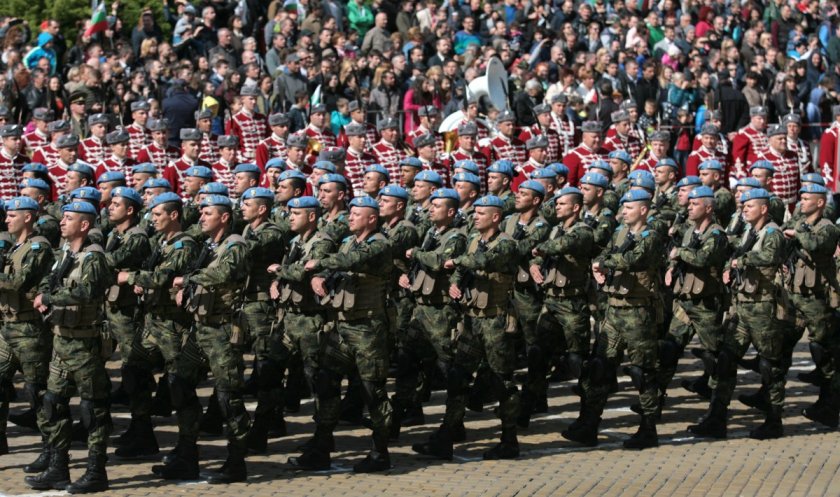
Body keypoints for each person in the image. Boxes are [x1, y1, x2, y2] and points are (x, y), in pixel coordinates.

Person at [289, 195, 394, 473]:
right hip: (341, 328)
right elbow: (341, 266)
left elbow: (352, 260)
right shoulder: (349, 241)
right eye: (350, 213)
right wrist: (321, 277)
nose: (350, 218)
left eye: (357, 214)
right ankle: (321, 447)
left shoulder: (379, 244)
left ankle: (380, 452)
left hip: (368, 329)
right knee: (326, 384)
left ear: (372, 219)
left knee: (374, 392)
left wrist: (318, 264)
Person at [564, 189, 664, 450]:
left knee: (643, 372)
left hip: (639, 312)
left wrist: (604, 263)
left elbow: (634, 259)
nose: (623, 212)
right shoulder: (620, 232)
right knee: (599, 368)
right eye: (623, 207)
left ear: (643, 210)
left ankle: (648, 428)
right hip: (615, 311)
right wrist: (600, 264)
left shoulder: (651, 236)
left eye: (629, 208)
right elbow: (602, 253)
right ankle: (589, 424)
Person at [28, 200, 113, 493]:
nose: (62, 223)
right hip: (61, 340)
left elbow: (87, 291)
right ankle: (58, 468)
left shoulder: (93, 257)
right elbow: (50, 283)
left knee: (93, 410)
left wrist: (50, 299)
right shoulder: (65, 254)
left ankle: (95, 472)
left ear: (84, 224)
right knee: (53, 404)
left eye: (69, 218)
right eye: (62, 218)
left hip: (84, 343)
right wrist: (43, 293)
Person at [688, 188, 787, 440]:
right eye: (743, 206)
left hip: (764, 308)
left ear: (764, 209)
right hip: (742, 308)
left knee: (770, 366)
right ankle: (716, 418)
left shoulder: (772, 233)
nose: (744, 209)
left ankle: (774, 420)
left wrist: (739, 263)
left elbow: (769, 256)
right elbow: (733, 255)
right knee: (726, 361)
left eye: (749, 206)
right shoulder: (748, 233)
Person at [173, 194, 252, 483]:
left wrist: (188, 281)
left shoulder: (236, 246)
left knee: (228, 397)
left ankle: (236, 460)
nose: (202, 217)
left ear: (225, 217)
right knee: (180, 384)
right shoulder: (210, 246)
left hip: (222, 331)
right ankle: (186, 454)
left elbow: (224, 272)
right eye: (201, 213)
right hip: (200, 328)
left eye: (208, 213)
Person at [0, 197, 54, 457]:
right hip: (8, 326)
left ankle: (51, 450)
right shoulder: (15, 247)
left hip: (29, 329)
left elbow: (19, 282)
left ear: (28, 217)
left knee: (37, 391)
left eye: (12, 215)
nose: (7, 219)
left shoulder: (37, 247)